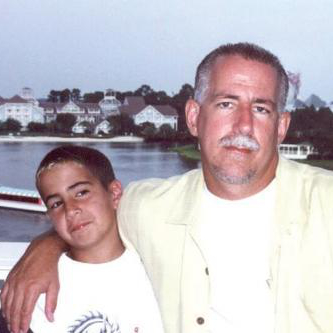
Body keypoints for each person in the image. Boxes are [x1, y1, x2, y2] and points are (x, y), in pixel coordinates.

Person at [2, 42, 333, 333]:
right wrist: (43, 249)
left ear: (281, 127)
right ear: (193, 116)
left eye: (261, 109)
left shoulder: (325, 204)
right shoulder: (148, 206)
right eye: (226, 104)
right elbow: (84, 214)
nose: (243, 125)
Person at [0, 145, 163, 333]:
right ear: (49, 215)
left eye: (81, 193)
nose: (70, 210)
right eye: (56, 203)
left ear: (115, 193)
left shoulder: (155, 267)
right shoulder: (36, 293)